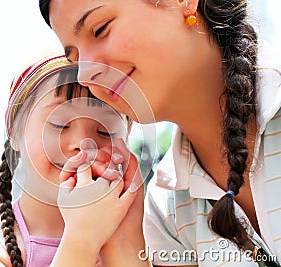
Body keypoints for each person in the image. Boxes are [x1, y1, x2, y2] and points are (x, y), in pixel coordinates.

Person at [38, 0, 281, 266]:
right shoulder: (165, 212)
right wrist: (122, 240)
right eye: (76, 59)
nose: (84, 74)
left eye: (100, 29)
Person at [0, 55, 138, 267]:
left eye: (104, 130)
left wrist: (125, 241)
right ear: (14, 132)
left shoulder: (151, 232)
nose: (84, 144)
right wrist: (82, 238)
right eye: (59, 124)